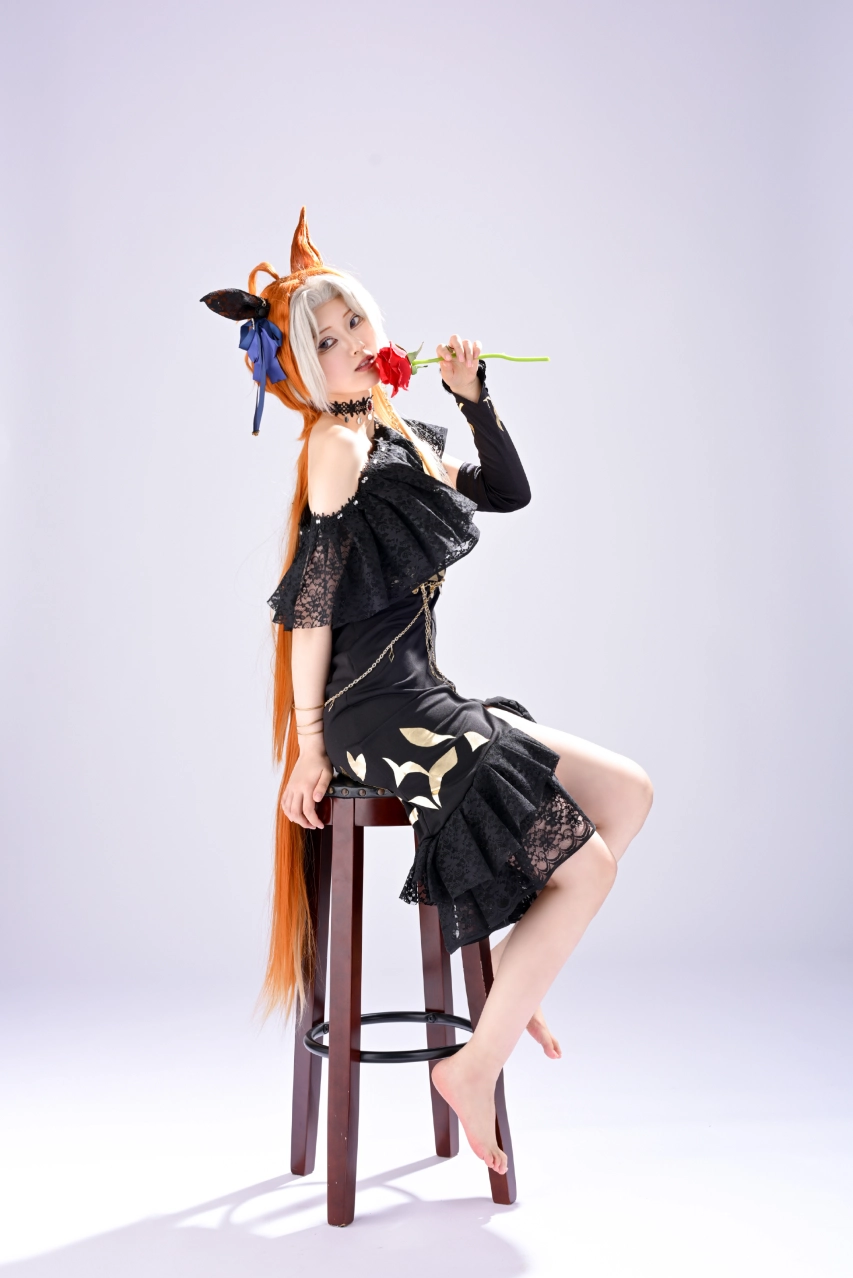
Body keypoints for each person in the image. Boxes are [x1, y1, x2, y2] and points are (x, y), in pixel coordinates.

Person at [202, 209, 654, 1176]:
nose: (353, 344)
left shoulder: (401, 433)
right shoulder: (335, 446)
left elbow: (509, 491)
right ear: (301, 371)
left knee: (627, 795)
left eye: (355, 321)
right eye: (327, 342)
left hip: (426, 696)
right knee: (587, 869)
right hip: (374, 716)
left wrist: (474, 398)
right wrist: (310, 746)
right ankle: (472, 1064)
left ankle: (513, 991)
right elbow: (312, 611)